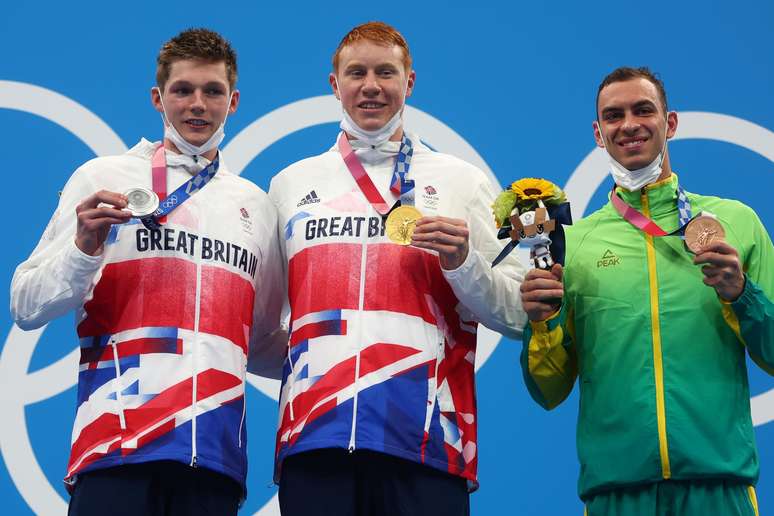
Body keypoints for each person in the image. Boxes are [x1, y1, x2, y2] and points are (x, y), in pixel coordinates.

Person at [10, 28, 285, 516]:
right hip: (115, 446)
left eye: (212, 91)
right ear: (158, 98)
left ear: (234, 100)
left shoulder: (256, 207)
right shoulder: (103, 178)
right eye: (182, 90)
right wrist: (83, 247)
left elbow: (262, 342)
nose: (197, 104)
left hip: (213, 454)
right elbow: (26, 304)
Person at [268, 21, 526, 516]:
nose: (371, 85)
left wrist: (462, 263)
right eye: (356, 72)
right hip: (315, 439)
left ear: (409, 82)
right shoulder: (290, 184)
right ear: (334, 84)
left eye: (386, 72)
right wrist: (315, 369)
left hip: (428, 439)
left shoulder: (460, 181)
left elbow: (517, 315)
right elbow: (260, 327)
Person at [519, 66, 773, 516]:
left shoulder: (736, 224)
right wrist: (540, 326)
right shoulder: (572, 244)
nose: (629, 124)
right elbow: (548, 391)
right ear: (599, 133)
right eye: (614, 116)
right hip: (617, 492)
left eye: (643, 110)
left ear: (670, 122)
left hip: (718, 487)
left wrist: (741, 294)